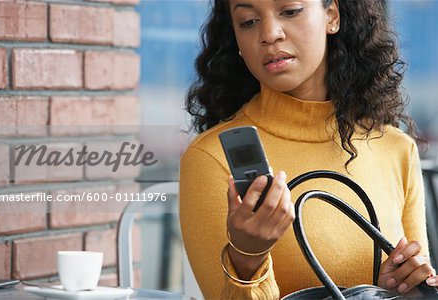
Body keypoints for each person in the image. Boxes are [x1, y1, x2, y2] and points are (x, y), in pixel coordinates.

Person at [179, 0, 438, 299]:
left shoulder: (397, 149)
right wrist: (248, 257)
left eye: (290, 11)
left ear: (332, 16)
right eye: (248, 21)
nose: (270, 34)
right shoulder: (211, 159)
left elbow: (417, 283)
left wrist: (399, 290)